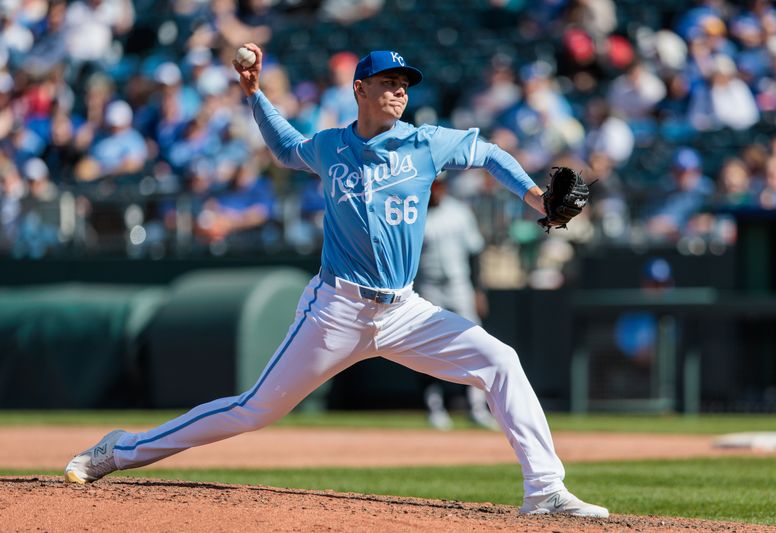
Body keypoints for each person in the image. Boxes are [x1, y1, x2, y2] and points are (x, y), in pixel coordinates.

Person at [64, 45, 609, 519]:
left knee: (501, 361)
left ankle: (545, 489)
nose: (398, 92)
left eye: (404, 85)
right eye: (388, 83)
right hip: (336, 310)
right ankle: (121, 449)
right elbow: (284, 149)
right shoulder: (331, 147)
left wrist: (535, 197)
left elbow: (488, 152)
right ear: (360, 89)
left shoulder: (425, 142)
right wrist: (255, 93)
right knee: (254, 410)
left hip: (405, 312)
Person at [416, 175, 498, 431]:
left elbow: (475, 253)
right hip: (427, 284)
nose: (435, 189)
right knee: (425, 349)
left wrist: (478, 290)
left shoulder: (459, 212)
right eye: (431, 185)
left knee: (476, 342)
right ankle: (435, 408)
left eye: (439, 184)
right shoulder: (413, 212)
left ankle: (477, 408)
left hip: (459, 284)